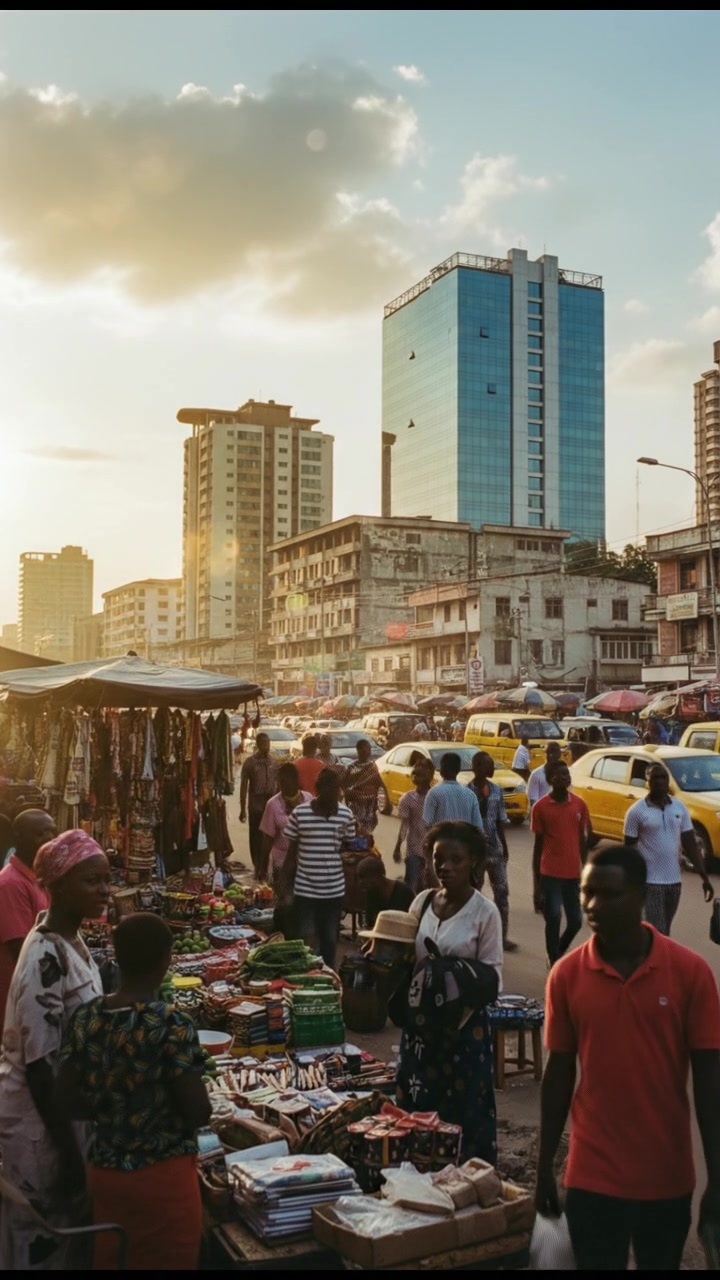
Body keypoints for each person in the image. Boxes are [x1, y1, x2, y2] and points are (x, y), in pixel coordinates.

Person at [536, 845, 720, 1272]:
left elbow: (710, 1082)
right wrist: (544, 1167)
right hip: (591, 1174)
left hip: (666, 1175)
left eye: (609, 894)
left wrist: (717, 1176)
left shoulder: (689, 973)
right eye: (587, 892)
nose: (593, 905)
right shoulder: (566, 975)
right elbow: (558, 1075)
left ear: (640, 895)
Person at [57, 913, 211, 1271]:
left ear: (116, 959)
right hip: (165, 1181)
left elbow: (65, 1099)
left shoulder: (86, 1018)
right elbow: (197, 1112)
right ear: (166, 960)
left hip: (107, 1175)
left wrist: (113, 1108)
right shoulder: (172, 1023)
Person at [0, 830, 110, 1270]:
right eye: (92, 880)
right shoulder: (43, 957)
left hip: (63, 1118)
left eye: (106, 879)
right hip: (39, 1125)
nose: (104, 890)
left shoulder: (70, 942)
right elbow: (41, 1068)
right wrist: (68, 1155)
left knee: (67, 1240)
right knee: (41, 1243)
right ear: (59, 885)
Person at [396, 821, 502, 1162]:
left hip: (463, 1037)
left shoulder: (485, 912)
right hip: (421, 1035)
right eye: (438, 859)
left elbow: (493, 979)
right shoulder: (422, 902)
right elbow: (406, 958)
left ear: (473, 862)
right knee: (417, 1111)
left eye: (456, 859)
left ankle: (465, 1179)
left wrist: (449, 976)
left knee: (462, 1115)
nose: (445, 867)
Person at [623, 762, 712, 936]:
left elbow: (690, 843)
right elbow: (629, 852)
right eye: (655, 777)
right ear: (647, 781)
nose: (660, 781)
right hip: (650, 883)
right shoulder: (636, 812)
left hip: (674, 882)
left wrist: (704, 876)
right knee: (658, 932)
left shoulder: (679, 807)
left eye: (663, 777)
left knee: (664, 932)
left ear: (668, 781)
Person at [284, 768, 356, 968]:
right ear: (319, 791)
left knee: (329, 941)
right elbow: (290, 856)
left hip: (334, 892)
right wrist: (285, 891)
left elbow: (348, 847)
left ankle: (328, 977)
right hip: (305, 890)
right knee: (306, 939)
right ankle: (305, 977)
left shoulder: (345, 815)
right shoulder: (300, 814)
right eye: (331, 792)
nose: (336, 796)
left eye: (337, 791)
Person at [0, 808, 56, 1035]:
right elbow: (20, 948)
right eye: (40, 833)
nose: (49, 838)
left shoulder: (37, 877)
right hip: (19, 992)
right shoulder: (10, 884)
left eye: (52, 832)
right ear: (18, 839)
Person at [531, 761, 590, 966]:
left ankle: (559, 950)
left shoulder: (579, 805)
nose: (564, 778)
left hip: (572, 874)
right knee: (554, 917)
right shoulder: (540, 808)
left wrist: (587, 871)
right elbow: (537, 847)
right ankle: (553, 958)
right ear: (550, 779)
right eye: (559, 775)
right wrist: (537, 885)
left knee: (576, 921)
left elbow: (582, 841)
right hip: (550, 874)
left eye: (566, 774)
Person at [468, 753, 517, 952]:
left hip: (495, 850)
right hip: (476, 852)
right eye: (489, 765)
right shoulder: (467, 792)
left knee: (502, 894)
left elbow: (499, 821)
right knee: (474, 895)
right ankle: (474, 937)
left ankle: (501, 937)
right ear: (477, 767)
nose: (493, 768)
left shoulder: (496, 790)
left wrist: (504, 846)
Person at [258, 763, 312, 930]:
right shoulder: (273, 805)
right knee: (285, 904)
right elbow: (267, 838)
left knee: (304, 904)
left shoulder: (309, 799)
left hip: (305, 864)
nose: (283, 786)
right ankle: (285, 933)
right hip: (282, 865)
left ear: (296, 781)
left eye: (287, 781)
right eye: (281, 782)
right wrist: (261, 867)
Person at [393, 758, 436, 893]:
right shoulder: (407, 799)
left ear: (430, 776)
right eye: (417, 773)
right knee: (412, 888)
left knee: (430, 890)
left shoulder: (436, 798)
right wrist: (398, 846)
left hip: (433, 851)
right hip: (414, 851)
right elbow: (404, 826)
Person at [239, 732, 279, 876]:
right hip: (256, 804)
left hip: (270, 804)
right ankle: (257, 866)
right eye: (263, 744)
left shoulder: (274, 762)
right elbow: (243, 786)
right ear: (257, 744)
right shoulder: (250, 762)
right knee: (255, 836)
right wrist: (242, 808)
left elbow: (279, 784)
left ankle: (264, 867)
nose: (266, 746)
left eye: (268, 743)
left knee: (268, 837)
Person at [423, 752, 482, 827]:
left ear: (441, 770)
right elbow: (478, 826)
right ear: (458, 770)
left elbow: (427, 823)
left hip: (442, 834)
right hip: (464, 834)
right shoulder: (471, 795)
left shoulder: (433, 793)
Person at [356, 856, 413, 928]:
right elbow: (370, 924)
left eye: (364, 878)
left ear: (377, 876)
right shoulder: (372, 894)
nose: (360, 882)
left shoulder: (404, 893)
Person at [341, 740, 383, 833]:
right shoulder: (351, 767)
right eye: (365, 749)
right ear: (359, 750)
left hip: (369, 805)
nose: (368, 752)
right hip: (355, 805)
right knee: (355, 829)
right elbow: (344, 785)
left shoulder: (372, 767)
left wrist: (376, 804)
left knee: (366, 832)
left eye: (369, 749)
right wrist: (349, 796)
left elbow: (378, 785)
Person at [527, 742, 562, 807]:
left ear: (559, 755)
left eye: (554, 752)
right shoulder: (536, 774)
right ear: (545, 754)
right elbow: (533, 802)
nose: (551, 755)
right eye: (548, 752)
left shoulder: (564, 775)